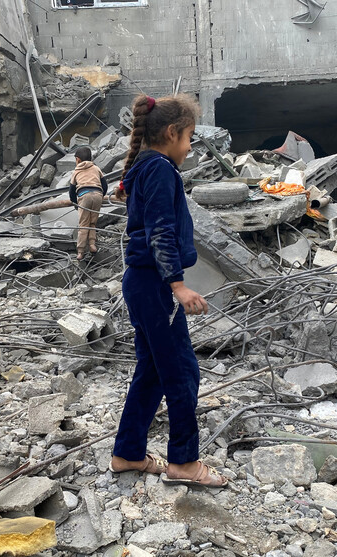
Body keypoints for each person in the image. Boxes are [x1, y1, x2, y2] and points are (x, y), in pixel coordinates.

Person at [108, 94, 228, 488]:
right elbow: (160, 230)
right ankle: (184, 463)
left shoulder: (145, 166)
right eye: (189, 137)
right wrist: (178, 285)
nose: (190, 147)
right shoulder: (159, 169)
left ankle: (128, 453)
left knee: (152, 371)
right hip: (155, 285)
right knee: (181, 371)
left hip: (141, 282)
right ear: (173, 133)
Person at [69, 146, 107, 260]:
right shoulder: (96, 168)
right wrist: (101, 196)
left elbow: (71, 191)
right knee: (92, 223)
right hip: (98, 195)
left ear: (78, 160)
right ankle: (92, 245)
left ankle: (80, 251)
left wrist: (75, 203)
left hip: (84, 196)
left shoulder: (76, 171)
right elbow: (104, 185)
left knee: (83, 224)